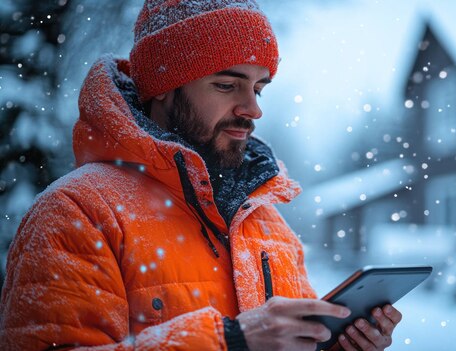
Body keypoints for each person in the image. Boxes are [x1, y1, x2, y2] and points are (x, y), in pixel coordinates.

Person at [0, 1, 403, 350]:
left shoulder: (267, 223)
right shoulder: (78, 211)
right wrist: (229, 341)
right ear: (163, 87)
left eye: (258, 88)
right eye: (228, 85)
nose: (253, 109)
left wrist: (338, 343)